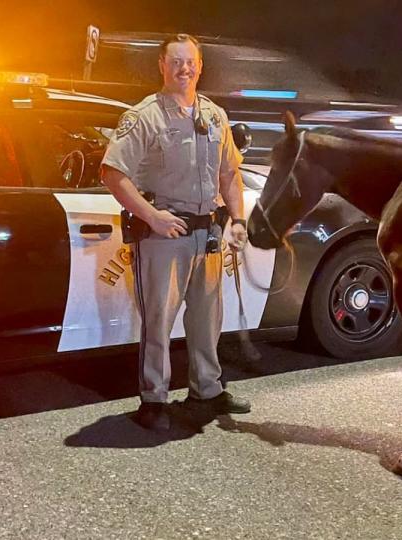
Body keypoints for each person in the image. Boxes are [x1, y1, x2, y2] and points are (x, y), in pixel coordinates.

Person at [101, 34, 251, 431]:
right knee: (159, 323)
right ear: (162, 67)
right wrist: (153, 217)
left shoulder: (215, 115)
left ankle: (208, 389)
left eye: (191, 62)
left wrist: (237, 220)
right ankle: (154, 399)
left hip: (209, 236)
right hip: (163, 236)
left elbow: (229, 173)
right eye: (176, 62)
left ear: (200, 66)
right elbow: (112, 174)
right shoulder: (145, 116)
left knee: (207, 321)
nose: (184, 68)